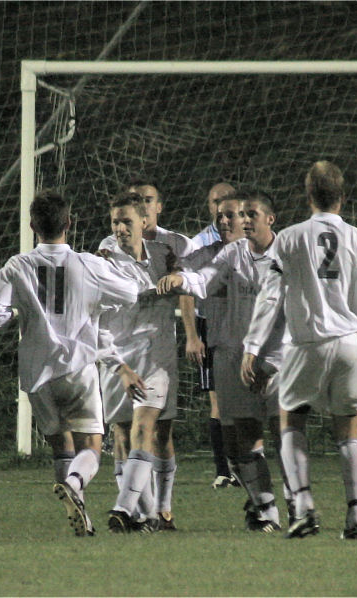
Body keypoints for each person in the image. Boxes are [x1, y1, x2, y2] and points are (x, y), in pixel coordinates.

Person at [240, 160, 357, 540]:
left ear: (308, 195)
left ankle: (305, 506)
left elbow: (270, 297)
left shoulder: (290, 238)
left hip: (307, 345)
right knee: (348, 432)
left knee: (291, 421)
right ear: (342, 199)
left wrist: (252, 347)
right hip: (350, 345)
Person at [0, 189, 141, 536]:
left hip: (37, 372)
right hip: (78, 368)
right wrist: (100, 295)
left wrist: (8, 315)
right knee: (92, 446)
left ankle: (78, 518)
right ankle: (73, 484)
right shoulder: (88, 264)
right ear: (69, 222)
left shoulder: (17, 265)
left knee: (61, 445)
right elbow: (129, 293)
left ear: (31, 225)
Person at [158, 191, 286, 532]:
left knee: (285, 433)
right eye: (227, 215)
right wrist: (182, 279)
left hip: (277, 358)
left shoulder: (286, 252)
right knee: (237, 439)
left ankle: (301, 507)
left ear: (266, 218)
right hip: (229, 354)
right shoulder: (224, 254)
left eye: (241, 214)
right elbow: (201, 280)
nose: (232, 221)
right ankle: (264, 506)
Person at [98, 191, 181, 532]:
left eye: (126, 221)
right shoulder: (103, 258)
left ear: (143, 223)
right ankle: (143, 516)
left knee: (148, 428)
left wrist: (179, 277)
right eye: (115, 221)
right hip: (119, 356)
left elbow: (185, 276)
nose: (119, 228)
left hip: (156, 357)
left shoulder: (164, 254)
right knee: (121, 433)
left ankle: (132, 508)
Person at [124, 177, 198, 529]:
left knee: (161, 432)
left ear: (159, 206)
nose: (142, 204)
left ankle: (163, 508)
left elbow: (188, 287)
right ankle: (141, 512)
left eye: (148, 199)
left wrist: (191, 336)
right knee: (125, 431)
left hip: (161, 348)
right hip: (124, 349)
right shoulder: (113, 243)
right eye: (136, 199)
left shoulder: (174, 243)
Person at [189, 182, 240, 489]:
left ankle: (245, 463)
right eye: (215, 202)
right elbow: (187, 289)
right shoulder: (199, 245)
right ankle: (224, 470)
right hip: (211, 326)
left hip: (244, 328)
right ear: (210, 207)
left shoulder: (248, 239)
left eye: (226, 203)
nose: (220, 209)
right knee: (219, 403)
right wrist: (193, 335)